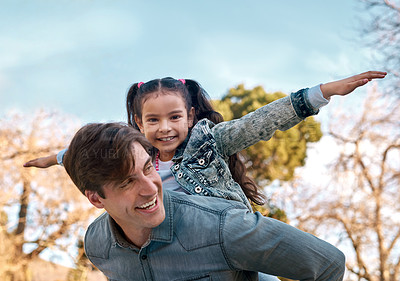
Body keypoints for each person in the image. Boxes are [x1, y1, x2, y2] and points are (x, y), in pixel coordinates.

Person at [62, 121, 346, 281]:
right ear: (96, 198)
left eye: (148, 168)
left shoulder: (224, 228)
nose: (150, 189)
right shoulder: (97, 244)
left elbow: (328, 264)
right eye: (127, 182)